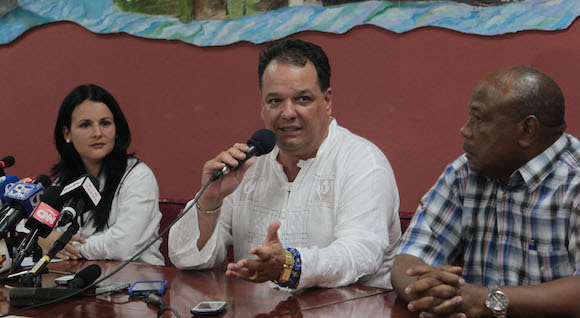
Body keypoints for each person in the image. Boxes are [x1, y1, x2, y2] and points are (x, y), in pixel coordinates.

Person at [169, 39, 401, 290]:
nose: (287, 113)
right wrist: (210, 200)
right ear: (262, 105)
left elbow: (358, 255)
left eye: (302, 99)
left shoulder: (363, 162)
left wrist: (289, 265)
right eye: (275, 101)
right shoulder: (247, 165)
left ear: (327, 100)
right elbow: (185, 258)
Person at [392, 66, 580, 318]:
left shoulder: (574, 180)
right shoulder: (464, 173)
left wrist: (488, 300)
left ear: (527, 130)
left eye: (478, 119)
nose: (465, 130)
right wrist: (429, 292)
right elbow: (409, 258)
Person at [38, 84, 165, 266]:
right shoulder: (63, 182)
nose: (97, 133)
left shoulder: (138, 176)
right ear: (67, 133)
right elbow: (37, 230)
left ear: (116, 129)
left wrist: (59, 245)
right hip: (77, 280)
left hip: (135, 286)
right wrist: (40, 239)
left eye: (105, 123)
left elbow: (123, 245)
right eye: (85, 125)